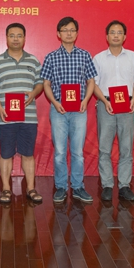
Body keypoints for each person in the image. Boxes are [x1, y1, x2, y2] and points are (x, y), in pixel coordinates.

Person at [0, 23, 44, 204]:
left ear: (24, 38)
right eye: (12, 35)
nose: (15, 39)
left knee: (28, 154)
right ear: (6, 38)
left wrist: (34, 93)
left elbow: (40, 83)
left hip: (28, 117)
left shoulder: (33, 61)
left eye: (19, 35)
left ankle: (31, 188)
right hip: (5, 117)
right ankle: (6, 189)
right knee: (6, 154)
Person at [42, 17, 97, 204]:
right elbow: (46, 84)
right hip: (58, 109)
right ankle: (60, 187)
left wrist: (86, 100)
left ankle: (78, 186)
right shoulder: (51, 57)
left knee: (78, 152)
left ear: (77, 33)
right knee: (59, 151)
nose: (69, 33)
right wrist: (54, 102)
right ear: (58, 34)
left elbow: (91, 81)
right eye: (65, 30)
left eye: (72, 30)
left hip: (79, 109)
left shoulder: (85, 55)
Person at [92, 20, 134, 202]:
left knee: (126, 147)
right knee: (104, 147)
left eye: (119, 32)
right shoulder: (98, 58)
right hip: (105, 104)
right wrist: (104, 101)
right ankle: (107, 185)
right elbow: (93, 84)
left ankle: (124, 185)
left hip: (127, 105)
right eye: (112, 32)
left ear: (125, 36)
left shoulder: (133, 57)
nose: (116, 35)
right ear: (107, 37)